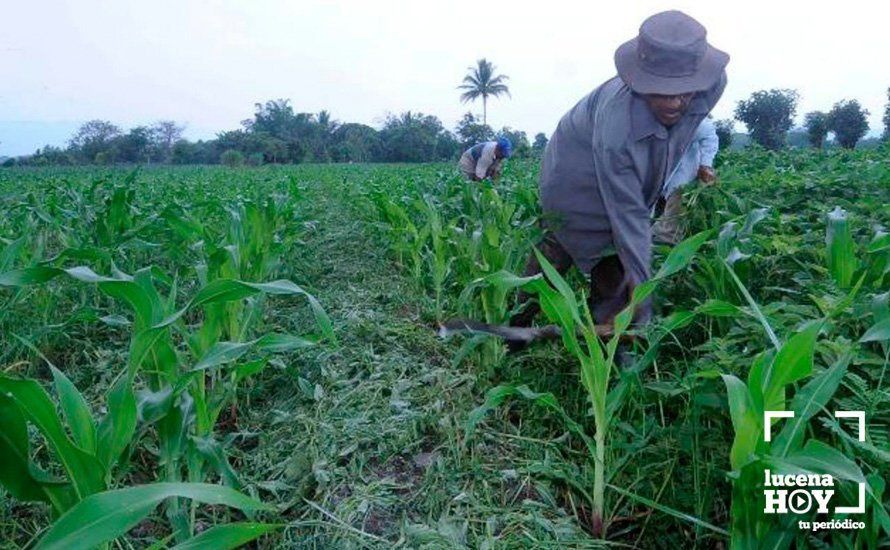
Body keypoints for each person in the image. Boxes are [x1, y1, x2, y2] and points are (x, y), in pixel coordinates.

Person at [511, 10, 729, 331]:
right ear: (640, 80)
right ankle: (516, 330)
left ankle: (607, 345)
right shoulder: (618, 126)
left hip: (632, 173)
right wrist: (643, 293)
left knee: (616, 267)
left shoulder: (712, 86)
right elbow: (628, 217)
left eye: (685, 90)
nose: (674, 103)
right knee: (564, 243)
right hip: (574, 174)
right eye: (661, 91)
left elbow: (680, 131)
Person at [652, 118, 719, 244]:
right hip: (657, 169)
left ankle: (666, 246)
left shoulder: (690, 120)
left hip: (682, 169)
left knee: (676, 205)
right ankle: (653, 235)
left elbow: (709, 136)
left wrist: (705, 164)